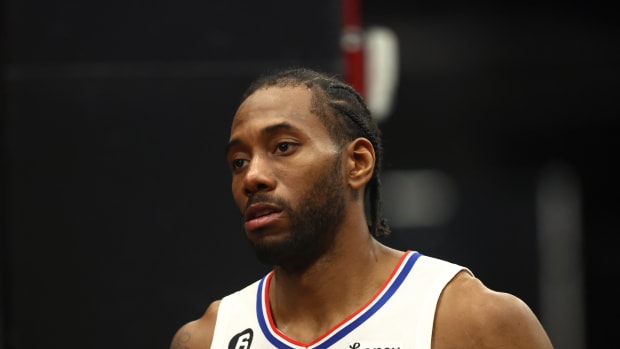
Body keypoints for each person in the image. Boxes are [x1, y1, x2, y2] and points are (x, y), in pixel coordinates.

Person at [169, 67, 554, 349]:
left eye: (283, 147)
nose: (252, 176)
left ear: (357, 163)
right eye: (238, 161)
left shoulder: (473, 321)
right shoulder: (207, 338)